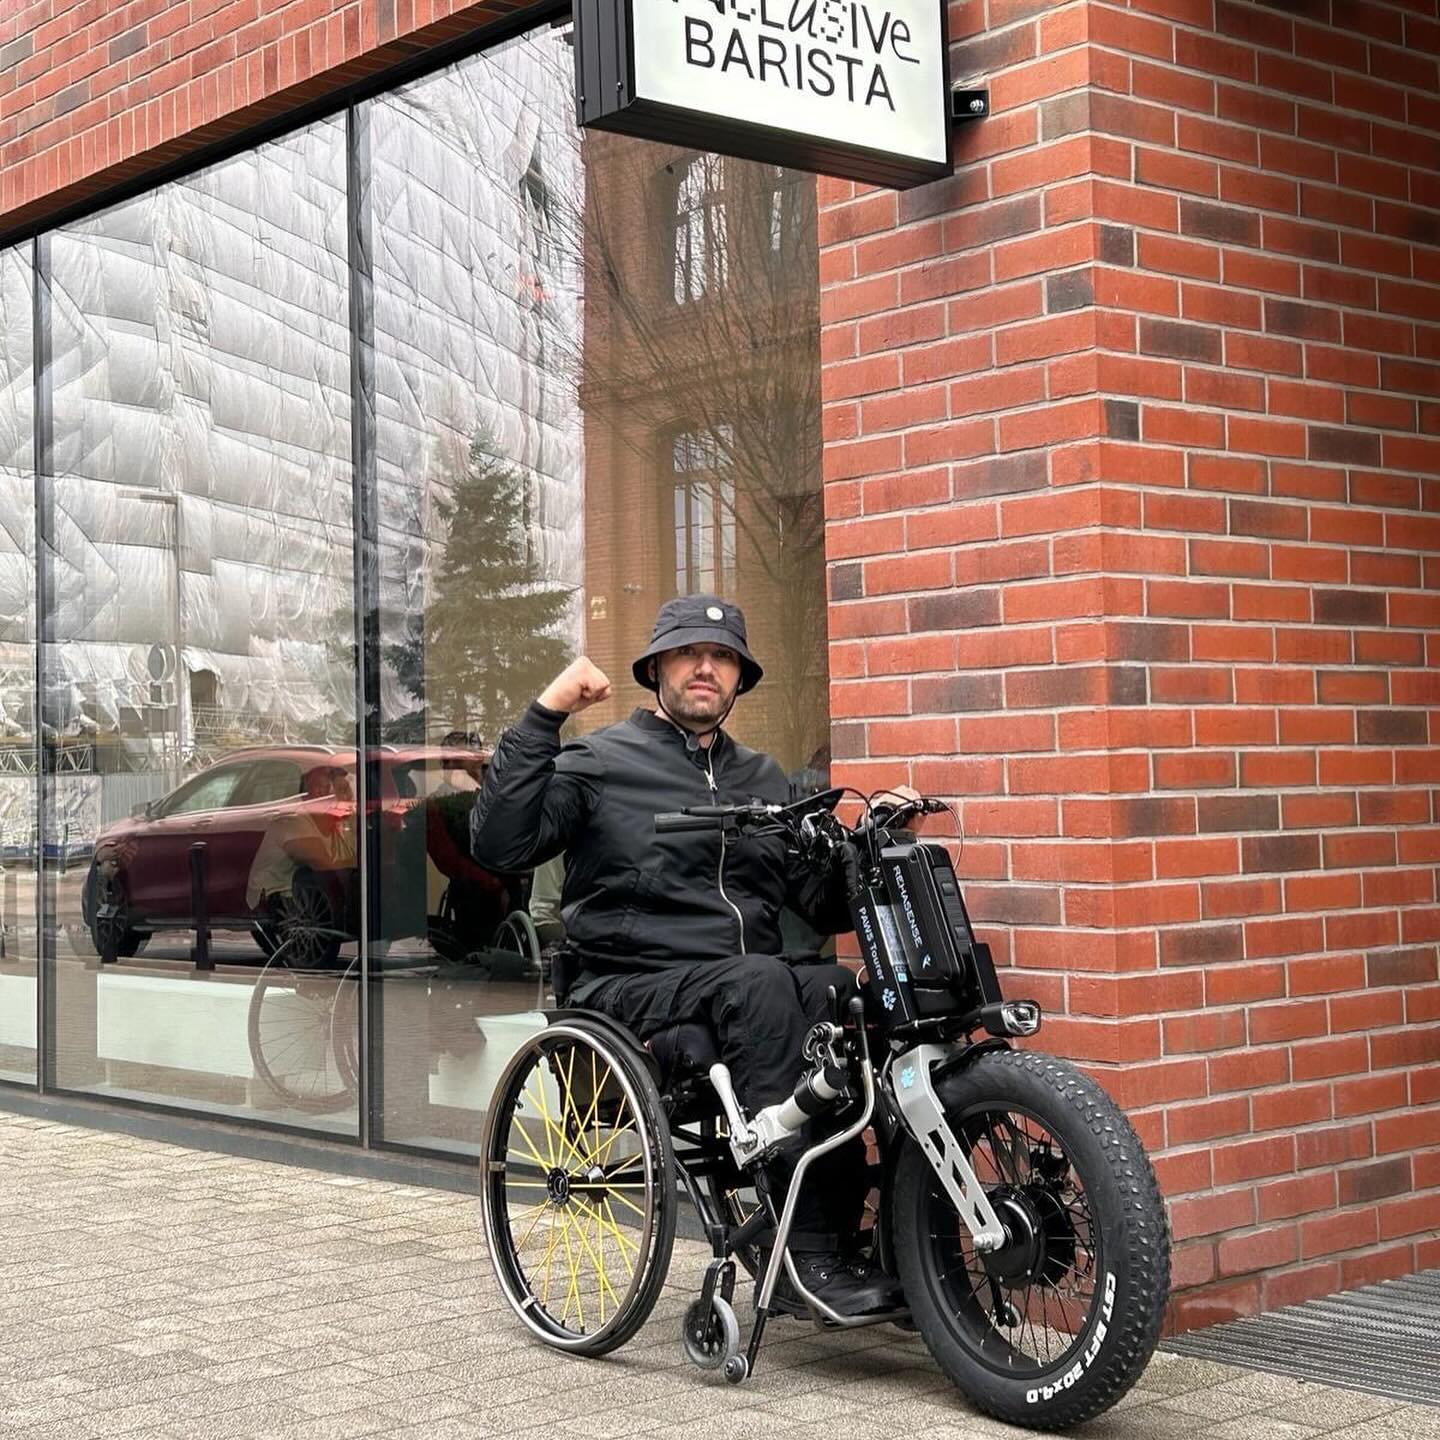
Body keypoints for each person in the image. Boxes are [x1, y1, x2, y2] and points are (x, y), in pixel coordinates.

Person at [470, 595, 903, 1316]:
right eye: (689, 653)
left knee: (835, 986)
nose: (707, 667)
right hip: (628, 985)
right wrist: (548, 713)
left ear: (739, 678)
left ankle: (865, 1239)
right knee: (763, 983)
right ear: (657, 668)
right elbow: (500, 843)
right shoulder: (601, 761)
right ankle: (801, 1255)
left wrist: (869, 845)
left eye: (723, 656)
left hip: (740, 985)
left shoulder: (762, 778)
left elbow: (819, 904)